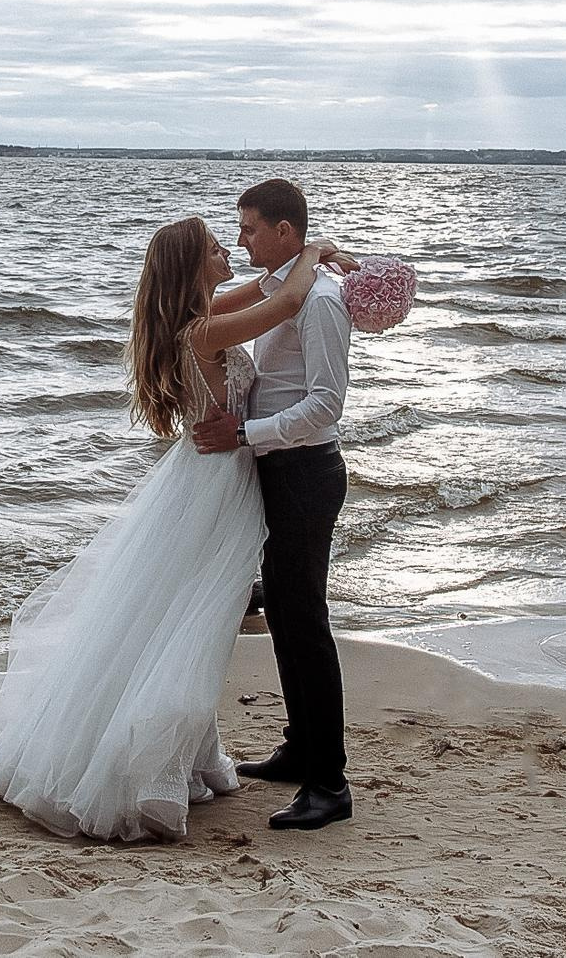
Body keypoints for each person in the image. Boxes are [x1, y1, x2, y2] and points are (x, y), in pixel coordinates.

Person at [0, 215, 338, 841]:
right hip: (216, 486)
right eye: (215, 246)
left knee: (170, 616)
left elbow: (266, 292)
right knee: (187, 623)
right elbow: (285, 299)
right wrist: (322, 249)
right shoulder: (203, 330)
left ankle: (191, 756)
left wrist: (298, 258)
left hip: (205, 479)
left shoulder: (199, 316)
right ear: (193, 266)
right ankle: (143, 765)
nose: (229, 249)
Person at [190, 177, 355, 831]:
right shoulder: (286, 288)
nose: (240, 239)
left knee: (305, 620)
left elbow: (324, 406)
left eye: (251, 227)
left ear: (285, 231)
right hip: (279, 473)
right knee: (284, 615)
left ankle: (330, 781)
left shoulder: (317, 302)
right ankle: (301, 747)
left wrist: (245, 434)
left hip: (307, 472)